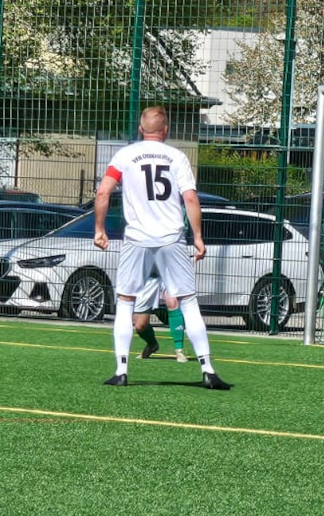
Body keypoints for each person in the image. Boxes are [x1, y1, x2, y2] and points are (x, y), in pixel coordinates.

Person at [94, 105, 229, 389]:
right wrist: (199, 237)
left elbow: (103, 191)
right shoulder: (177, 157)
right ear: (166, 130)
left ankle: (121, 371)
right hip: (172, 238)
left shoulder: (125, 155)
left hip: (137, 239)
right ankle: (207, 369)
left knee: (126, 302)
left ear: (141, 130)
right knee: (189, 302)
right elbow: (190, 199)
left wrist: (100, 229)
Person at [134, 271, 189, 362]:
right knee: (140, 325)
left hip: (167, 270)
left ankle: (179, 350)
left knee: (172, 302)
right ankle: (152, 345)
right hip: (149, 275)